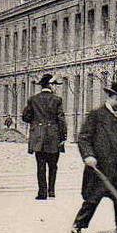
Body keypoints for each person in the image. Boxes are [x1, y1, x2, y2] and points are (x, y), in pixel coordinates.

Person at [71, 81, 117, 233]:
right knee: (92, 199)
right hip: (101, 168)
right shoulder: (96, 115)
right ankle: (79, 223)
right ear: (111, 96)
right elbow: (84, 137)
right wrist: (88, 155)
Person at [20, 73, 67, 201]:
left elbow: (25, 117)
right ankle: (51, 191)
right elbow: (61, 120)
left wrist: (36, 123)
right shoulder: (57, 100)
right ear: (50, 85)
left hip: (38, 138)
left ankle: (42, 193)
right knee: (53, 165)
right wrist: (63, 137)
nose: (56, 88)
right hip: (53, 137)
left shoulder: (33, 99)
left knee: (40, 166)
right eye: (55, 85)